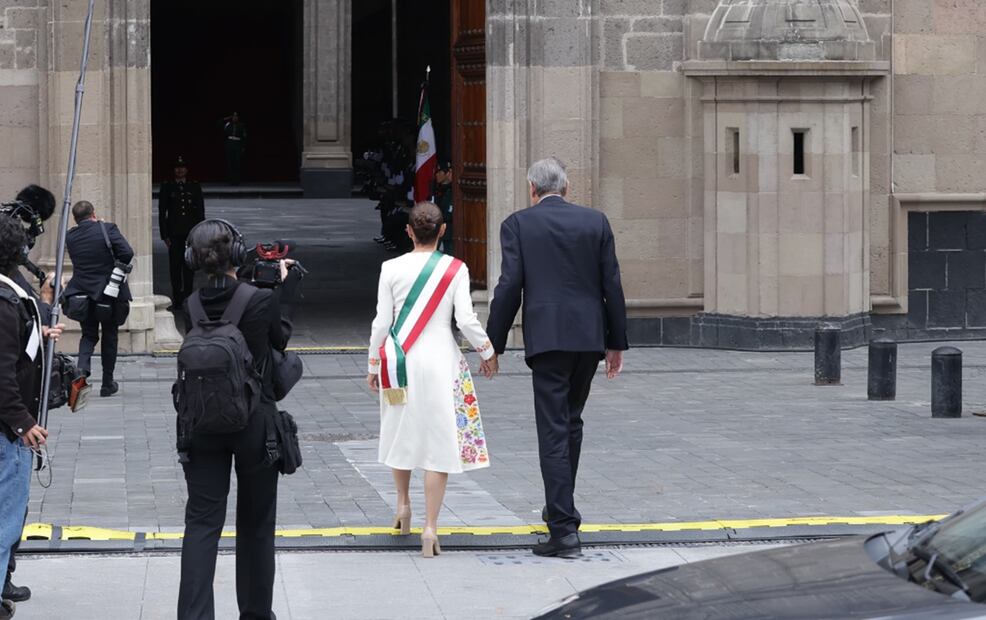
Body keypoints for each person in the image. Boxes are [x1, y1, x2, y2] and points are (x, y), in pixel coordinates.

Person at [486, 157, 629, 559]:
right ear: (566, 188)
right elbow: (612, 284)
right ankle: (560, 509)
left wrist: (492, 343)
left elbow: (509, 285)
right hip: (588, 339)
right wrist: (616, 341)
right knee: (571, 422)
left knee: (553, 429)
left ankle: (563, 530)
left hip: (547, 340)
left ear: (532, 189)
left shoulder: (518, 224)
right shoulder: (596, 222)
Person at [177, 219, 298, 619]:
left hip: (201, 422)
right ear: (239, 253)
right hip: (255, 424)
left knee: (201, 523)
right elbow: (279, 339)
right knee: (256, 525)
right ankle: (256, 614)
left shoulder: (190, 306)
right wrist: (279, 286)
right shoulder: (260, 299)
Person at [367, 202, 497, 558]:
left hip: (399, 362)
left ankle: (403, 505)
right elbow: (466, 320)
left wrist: (372, 364)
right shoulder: (455, 268)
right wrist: (487, 351)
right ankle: (430, 529)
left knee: (400, 430)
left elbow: (381, 322)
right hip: (442, 362)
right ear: (442, 232)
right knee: (438, 443)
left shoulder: (390, 267)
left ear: (408, 231)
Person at [0, 216, 63, 620]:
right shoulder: (5, 305)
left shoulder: (10, 303)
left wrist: (36, 335)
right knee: (5, 517)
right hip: (8, 430)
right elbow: (1, 372)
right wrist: (24, 423)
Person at [63, 201, 134, 397]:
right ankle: (107, 383)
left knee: (88, 335)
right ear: (93, 213)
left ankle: (82, 376)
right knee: (110, 335)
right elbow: (127, 252)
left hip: (82, 294)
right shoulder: (107, 228)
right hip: (108, 294)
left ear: (76, 219)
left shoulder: (70, 236)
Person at [159, 156, 205, 310]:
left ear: (187, 170)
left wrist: (200, 233)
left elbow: (200, 212)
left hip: (190, 234)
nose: (180, 170)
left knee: (189, 266)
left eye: (182, 167)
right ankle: (177, 298)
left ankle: (188, 297)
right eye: (177, 167)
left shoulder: (194, 186)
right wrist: (164, 235)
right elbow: (162, 212)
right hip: (174, 234)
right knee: (175, 267)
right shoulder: (167, 187)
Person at [433, 162, 454, 254]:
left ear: (448, 174)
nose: (437, 175)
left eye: (439, 172)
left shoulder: (452, 191)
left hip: (448, 230)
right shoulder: (437, 189)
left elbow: (449, 214)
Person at [221, 112, 247, 186]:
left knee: (237, 163)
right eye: (233, 116)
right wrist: (226, 118)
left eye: (236, 116)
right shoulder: (228, 124)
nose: (235, 118)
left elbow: (244, 137)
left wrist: (243, 147)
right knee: (230, 163)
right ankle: (230, 180)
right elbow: (219, 123)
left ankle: (237, 180)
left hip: (237, 145)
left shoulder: (241, 125)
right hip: (229, 144)